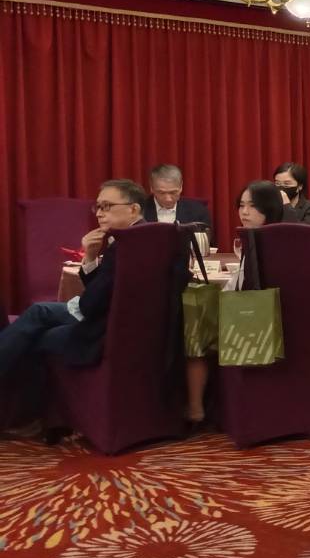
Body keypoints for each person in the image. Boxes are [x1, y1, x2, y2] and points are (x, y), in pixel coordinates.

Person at [0, 180, 148, 379]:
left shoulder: (124, 245)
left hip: (103, 333)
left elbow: (89, 305)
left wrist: (90, 259)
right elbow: (104, 291)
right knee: (39, 312)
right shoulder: (146, 237)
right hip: (117, 320)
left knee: (32, 333)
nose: (99, 213)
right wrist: (91, 256)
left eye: (107, 206)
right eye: (98, 207)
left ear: (133, 209)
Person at [184, 182, 283, 423]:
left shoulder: (260, 241)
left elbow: (244, 289)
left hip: (253, 323)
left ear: (269, 208)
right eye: (241, 205)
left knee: (194, 327)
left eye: (252, 206)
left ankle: (196, 407)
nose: (244, 212)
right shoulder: (280, 237)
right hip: (274, 317)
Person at [142, 163, 213, 240]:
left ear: (181, 187)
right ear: (151, 188)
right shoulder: (139, 210)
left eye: (173, 192)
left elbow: (207, 243)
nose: (168, 199)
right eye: (161, 193)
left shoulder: (198, 211)